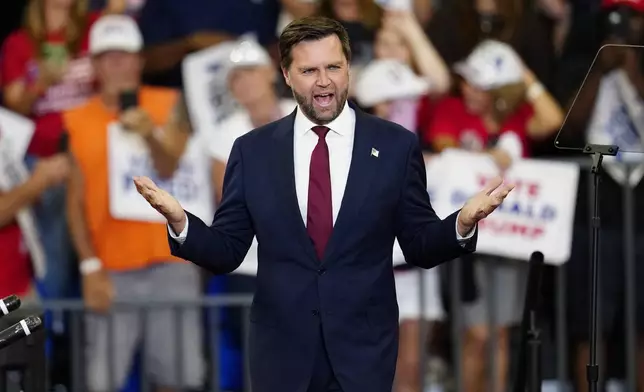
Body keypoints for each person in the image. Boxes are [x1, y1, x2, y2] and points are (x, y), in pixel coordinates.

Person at [134, 16, 513, 392]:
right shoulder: (253, 151)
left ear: (349, 68)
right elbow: (228, 250)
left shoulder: (396, 145)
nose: (324, 81)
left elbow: (419, 243)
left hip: (363, 355)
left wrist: (460, 224)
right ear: (286, 74)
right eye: (309, 70)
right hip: (281, 356)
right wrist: (182, 223)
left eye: (334, 66)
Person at [63, 14, 207, 392]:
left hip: (171, 262)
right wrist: (90, 266)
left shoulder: (171, 102)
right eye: (108, 57)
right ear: (93, 64)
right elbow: (74, 204)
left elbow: (170, 165)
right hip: (110, 270)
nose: (118, 65)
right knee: (101, 382)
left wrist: (149, 136)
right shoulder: (74, 120)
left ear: (140, 60)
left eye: (126, 55)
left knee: (178, 380)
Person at [425, 40, 563, 392]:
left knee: (499, 332)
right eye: (467, 80)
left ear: (498, 88)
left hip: (507, 242)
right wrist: (490, 156)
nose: (469, 88)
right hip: (467, 241)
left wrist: (524, 75)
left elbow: (553, 119)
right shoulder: (453, 109)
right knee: (476, 333)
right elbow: (442, 147)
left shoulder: (516, 117)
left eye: (479, 83)